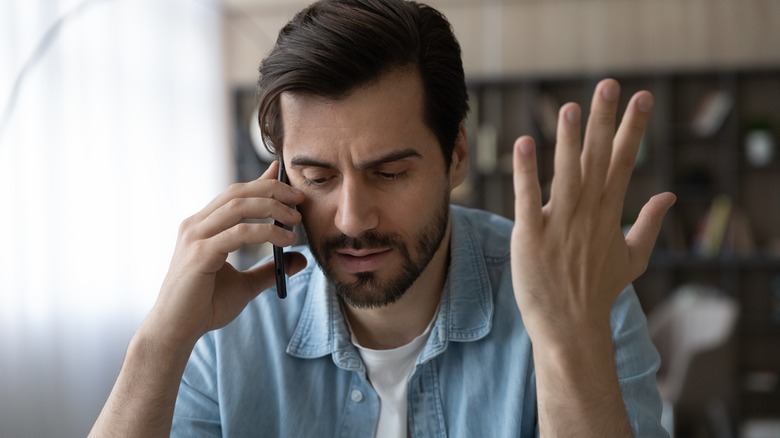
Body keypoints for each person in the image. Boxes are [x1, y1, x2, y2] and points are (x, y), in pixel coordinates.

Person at [90, 0, 676, 436]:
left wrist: (568, 343)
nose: (351, 218)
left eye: (390, 172)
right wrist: (161, 342)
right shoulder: (227, 330)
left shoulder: (573, 297)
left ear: (457, 157)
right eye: (317, 178)